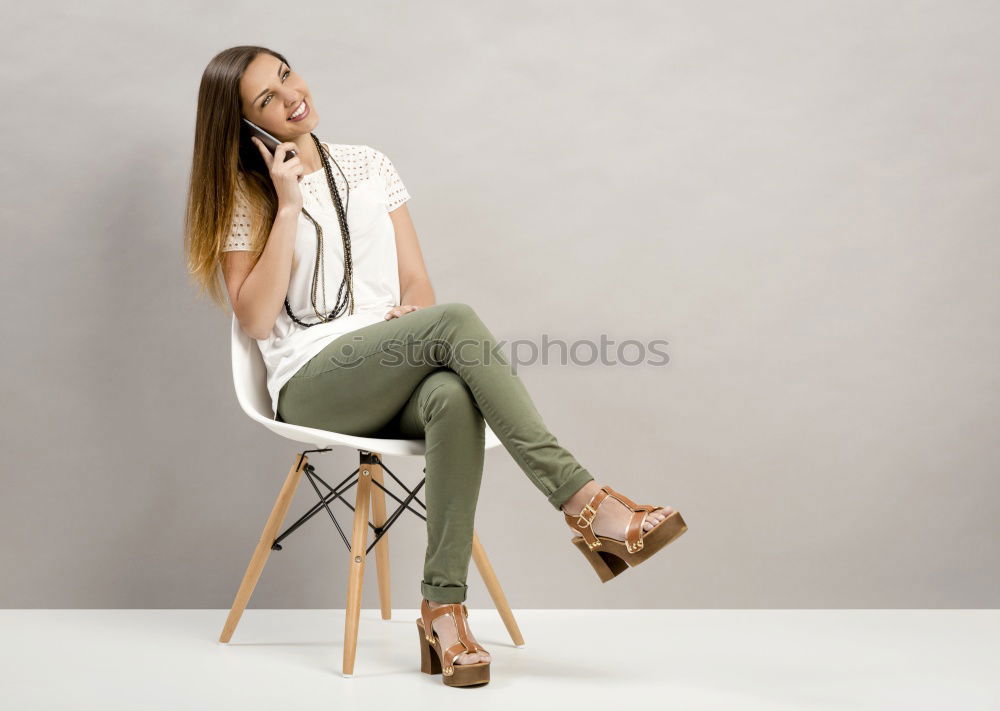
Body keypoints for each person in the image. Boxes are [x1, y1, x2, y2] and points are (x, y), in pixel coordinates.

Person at [184, 45, 687, 688]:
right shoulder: (246, 194)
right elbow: (255, 320)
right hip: (313, 384)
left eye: (285, 76)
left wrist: (408, 321)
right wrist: (285, 203)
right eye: (266, 100)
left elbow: (416, 281)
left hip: (387, 363)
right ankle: (588, 505)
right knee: (456, 321)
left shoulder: (369, 165)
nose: (290, 97)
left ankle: (442, 612)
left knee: (450, 393)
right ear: (246, 126)